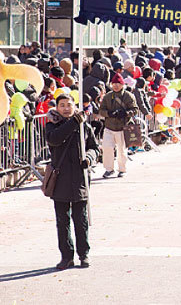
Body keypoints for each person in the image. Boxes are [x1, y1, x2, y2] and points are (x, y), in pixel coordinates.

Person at [45, 93, 99, 270]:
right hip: (60, 179)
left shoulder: (84, 126)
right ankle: (66, 256)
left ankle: (84, 254)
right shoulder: (52, 125)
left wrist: (89, 158)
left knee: (81, 220)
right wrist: (73, 122)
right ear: (57, 107)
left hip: (79, 179)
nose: (66, 108)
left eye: (69, 105)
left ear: (74, 106)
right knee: (62, 221)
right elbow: (55, 139)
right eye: (62, 105)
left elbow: (94, 147)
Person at [98, 73, 137, 177]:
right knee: (107, 148)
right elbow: (101, 110)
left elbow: (135, 109)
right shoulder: (107, 96)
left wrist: (125, 113)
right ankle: (109, 169)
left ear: (122, 84)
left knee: (121, 150)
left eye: (118, 84)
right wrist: (109, 114)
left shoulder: (128, 96)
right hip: (109, 127)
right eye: (114, 83)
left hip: (123, 127)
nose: (115, 86)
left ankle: (122, 169)